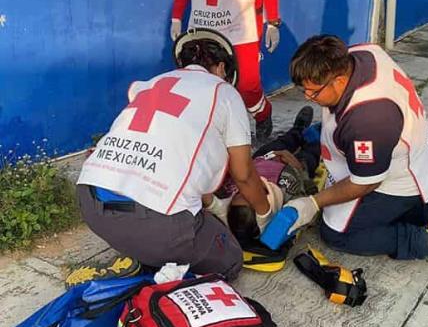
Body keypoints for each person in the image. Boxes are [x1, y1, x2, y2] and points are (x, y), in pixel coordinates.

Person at [262, 35, 428, 260]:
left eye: (313, 92)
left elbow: (366, 183)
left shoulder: (367, 118)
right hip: (406, 154)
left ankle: (423, 239)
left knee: (337, 233)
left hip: (396, 180)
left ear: (339, 81)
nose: (308, 97)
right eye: (303, 90)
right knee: (354, 211)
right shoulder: (360, 55)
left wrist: (312, 203)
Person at [76, 29, 278, 279]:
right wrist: (265, 214)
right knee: (230, 260)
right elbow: (244, 174)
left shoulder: (152, 84)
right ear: (222, 68)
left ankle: (140, 253)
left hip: (91, 202)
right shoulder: (223, 92)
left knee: (175, 217)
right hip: (156, 225)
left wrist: (214, 204)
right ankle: (153, 266)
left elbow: (178, 159)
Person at [171, 0, 280, 143]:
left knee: (248, 85)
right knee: (203, 84)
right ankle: (214, 132)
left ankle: (262, 114)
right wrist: (176, 17)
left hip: (241, 24)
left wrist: (273, 21)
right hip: (203, 27)